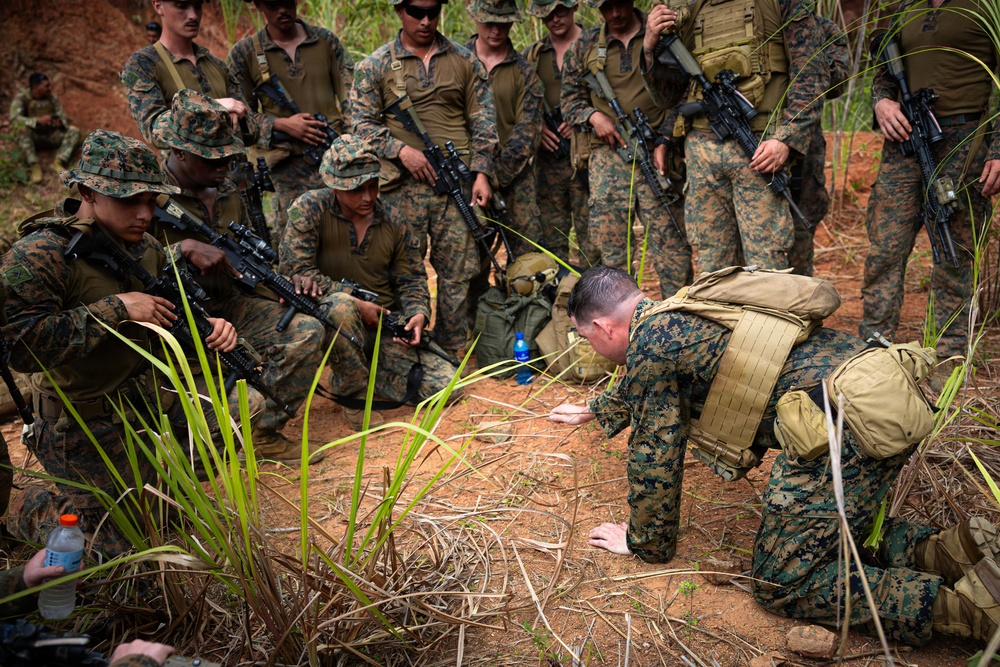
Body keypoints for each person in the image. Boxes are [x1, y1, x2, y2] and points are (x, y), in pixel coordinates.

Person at [550, 265, 1000, 645]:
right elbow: (685, 369)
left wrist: (643, 542)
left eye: (586, 338)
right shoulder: (684, 308)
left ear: (605, 327)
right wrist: (598, 408)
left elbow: (655, 459)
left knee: (782, 581)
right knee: (828, 530)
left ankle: (969, 609)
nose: (592, 347)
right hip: (884, 391)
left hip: (847, 428)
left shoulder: (651, 346)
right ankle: (955, 550)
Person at [0, 130, 244, 557]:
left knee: (237, 416)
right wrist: (115, 309)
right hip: (80, 427)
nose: (145, 214)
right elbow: (19, 347)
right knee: (115, 558)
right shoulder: (40, 254)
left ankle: (156, 497)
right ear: (87, 193)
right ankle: (30, 507)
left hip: (143, 409)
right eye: (129, 201)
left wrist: (209, 327)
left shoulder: (144, 247)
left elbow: (170, 315)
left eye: (151, 201)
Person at [151, 89, 328, 457]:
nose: (224, 166)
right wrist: (182, 250)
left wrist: (277, 284)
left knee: (306, 330)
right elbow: (125, 264)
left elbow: (246, 255)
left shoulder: (228, 191)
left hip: (230, 304)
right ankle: (200, 441)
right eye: (212, 158)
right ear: (179, 152)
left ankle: (262, 433)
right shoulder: (147, 196)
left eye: (229, 157)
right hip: (172, 321)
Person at [350, 0, 498, 358]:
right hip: (401, 188)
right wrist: (401, 150)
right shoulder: (375, 65)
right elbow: (360, 124)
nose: (426, 20)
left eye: (434, 11)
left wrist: (482, 173)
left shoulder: (464, 60)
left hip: (455, 185)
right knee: (402, 267)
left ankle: (451, 349)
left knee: (459, 270)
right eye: (417, 12)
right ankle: (403, 347)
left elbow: (483, 120)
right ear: (399, 11)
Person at [280, 136, 459, 428]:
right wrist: (354, 301)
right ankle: (354, 397)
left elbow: (412, 278)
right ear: (334, 186)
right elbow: (295, 270)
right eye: (356, 189)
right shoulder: (311, 208)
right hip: (327, 323)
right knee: (341, 307)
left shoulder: (394, 220)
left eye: (372, 186)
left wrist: (417, 313)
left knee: (447, 387)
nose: (367, 197)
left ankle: (359, 373)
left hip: (382, 326)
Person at [860, 0, 1000, 363]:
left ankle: (948, 361)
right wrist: (882, 103)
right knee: (885, 248)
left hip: (964, 141)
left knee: (955, 252)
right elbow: (885, 72)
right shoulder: (905, 8)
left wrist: (998, 147)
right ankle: (872, 353)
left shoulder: (987, 7)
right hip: (906, 138)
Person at [641, 0, 823, 273]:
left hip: (761, 148)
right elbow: (670, 95)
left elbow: (811, 73)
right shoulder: (690, 9)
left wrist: (786, 138)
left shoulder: (779, 3)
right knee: (713, 266)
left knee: (766, 264)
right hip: (702, 153)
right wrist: (649, 48)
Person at [561, 0, 690, 294]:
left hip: (657, 155)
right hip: (608, 158)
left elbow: (683, 92)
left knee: (672, 251)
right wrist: (593, 117)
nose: (615, 14)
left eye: (620, 4)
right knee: (611, 255)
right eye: (607, 7)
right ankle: (619, 318)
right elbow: (569, 101)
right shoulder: (584, 46)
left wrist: (665, 139)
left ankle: (677, 314)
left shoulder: (661, 33)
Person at [227, 0, 355, 245]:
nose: (282, 10)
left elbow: (353, 99)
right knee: (295, 243)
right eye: (272, 4)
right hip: (286, 170)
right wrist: (281, 125)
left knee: (344, 240)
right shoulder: (245, 53)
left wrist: (350, 147)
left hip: (335, 160)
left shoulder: (325, 41)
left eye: (287, 2)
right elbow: (239, 117)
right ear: (258, 5)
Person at [121, 0, 255, 148]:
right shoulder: (144, 64)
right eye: (182, 6)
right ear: (158, 6)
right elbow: (154, 130)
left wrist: (235, 115)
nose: (193, 15)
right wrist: (214, 107)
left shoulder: (216, 65)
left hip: (233, 161)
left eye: (197, 6)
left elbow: (252, 130)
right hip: (187, 163)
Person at [524, 0, 596, 266]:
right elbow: (520, 105)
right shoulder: (532, 56)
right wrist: (539, 130)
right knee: (551, 239)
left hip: (588, 157)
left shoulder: (594, 45)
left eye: (561, 12)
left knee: (593, 241)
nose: (555, 19)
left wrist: (580, 119)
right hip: (550, 161)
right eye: (548, 15)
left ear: (574, 8)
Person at [8, 73, 80, 185]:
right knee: (21, 131)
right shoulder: (22, 97)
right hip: (33, 137)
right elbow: (14, 119)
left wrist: (60, 123)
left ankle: (58, 162)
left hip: (51, 135)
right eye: (46, 86)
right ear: (36, 86)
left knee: (74, 131)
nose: (50, 88)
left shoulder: (52, 98)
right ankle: (34, 165)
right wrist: (36, 121)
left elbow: (62, 116)